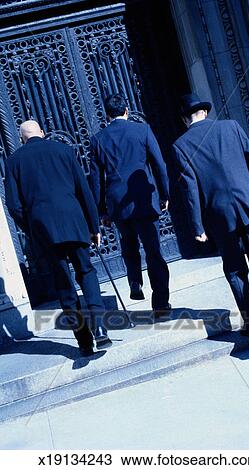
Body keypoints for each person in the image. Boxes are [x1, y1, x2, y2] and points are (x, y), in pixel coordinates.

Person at [172, 93, 249, 341]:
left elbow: (190, 189)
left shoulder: (180, 146)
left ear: (186, 119)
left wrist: (197, 225)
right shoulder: (231, 126)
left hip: (220, 217)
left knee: (235, 271)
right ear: (205, 112)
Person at [4, 120, 112, 357]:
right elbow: (83, 189)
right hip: (74, 223)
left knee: (64, 285)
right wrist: (94, 226)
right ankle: (101, 326)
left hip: (44, 231)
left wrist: (32, 226)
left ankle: (84, 341)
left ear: (22, 139)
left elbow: (13, 206)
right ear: (42, 133)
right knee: (87, 272)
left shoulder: (14, 162)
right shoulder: (63, 150)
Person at [89, 94, 170, 312]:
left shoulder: (98, 139)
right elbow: (159, 164)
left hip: (118, 203)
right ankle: (161, 303)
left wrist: (102, 211)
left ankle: (135, 280)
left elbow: (96, 179)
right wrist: (164, 194)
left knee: (128, 243)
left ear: (107, 115)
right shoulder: (142, 130)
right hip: (144, 198)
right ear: (127, 110)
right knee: (154, 251)